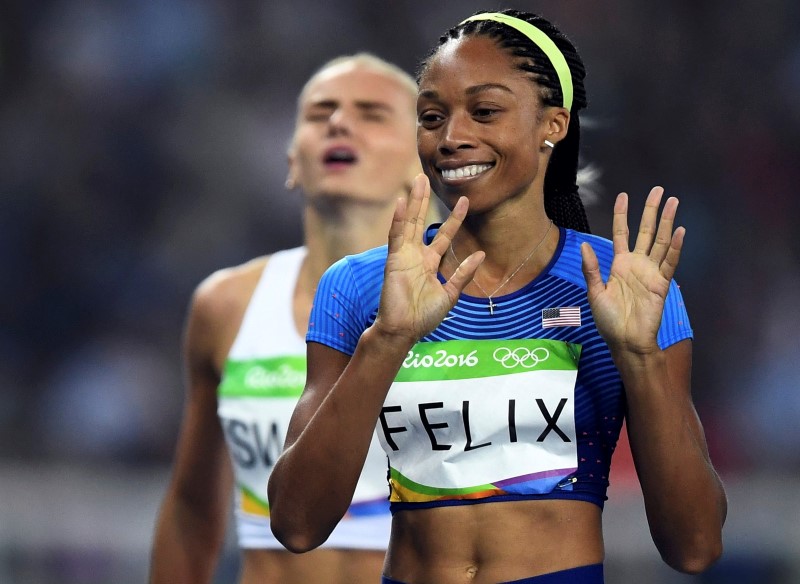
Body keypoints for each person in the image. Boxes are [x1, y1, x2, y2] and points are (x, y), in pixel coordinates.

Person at [267, 9, 727, 584]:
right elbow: (296, 524)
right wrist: (386, 341)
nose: (453, 137)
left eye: (484, 112)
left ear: (552, 125)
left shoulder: (625, 288)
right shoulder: (361, 287)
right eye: (432, 117)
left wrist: (640, 356)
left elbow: (696, 546)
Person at [149, 53, 438, 584]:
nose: (339, 123)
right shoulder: (228, 305)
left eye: (372, 114)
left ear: (423, 162)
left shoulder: (474, 298)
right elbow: (192, 511)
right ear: (291, 159)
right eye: (319, 112)